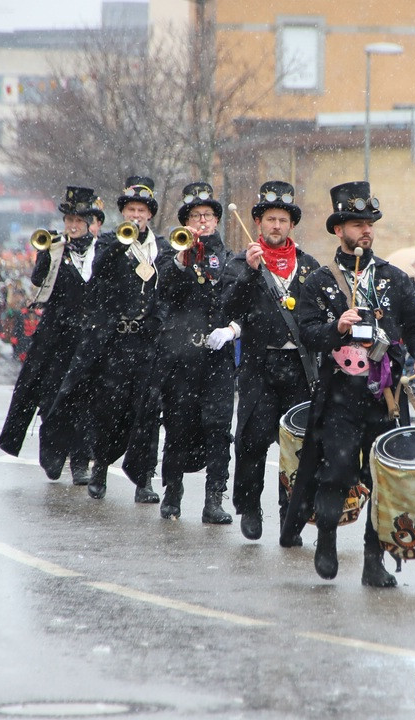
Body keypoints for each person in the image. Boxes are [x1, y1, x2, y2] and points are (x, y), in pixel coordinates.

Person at [279, 180, 415, 586]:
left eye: (369, 223)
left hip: (385, 397)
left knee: (383, 480)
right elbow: (308, 335)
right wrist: (337, 325)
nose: (365, 230)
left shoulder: (394, 278)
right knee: (337, 473)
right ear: (339, 229)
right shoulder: (319, 281)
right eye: (356, 223)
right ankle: (326, 539)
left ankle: (373, 560)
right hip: (338, 397)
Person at [44, 176, 167, 503]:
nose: (136, 216)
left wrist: (160, 321)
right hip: (115, 343)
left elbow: (169, 292)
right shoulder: (110, 243)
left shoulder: (164, 248)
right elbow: (97, 276)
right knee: (108, 409)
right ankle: (99, 470)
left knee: (147, 413)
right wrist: (119, 247)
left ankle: (144, 480)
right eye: (130, 210)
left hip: (147, 343)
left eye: (141, 210)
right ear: (123, 212)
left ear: (150, 214)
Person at [221, 181, 320, 540]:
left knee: (297, 446)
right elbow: (227, 308)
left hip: (299, 370)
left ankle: (291, 517)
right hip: (259, 368)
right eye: (269, 219)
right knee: (252, 440)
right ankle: (250, 507)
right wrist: (249, 272)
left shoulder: (309, 267)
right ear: (259, 224)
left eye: (282, 219)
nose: (275, 226)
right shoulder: (240, 263)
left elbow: (321, 315)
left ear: (291, 225)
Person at [0, 186, 101, 485]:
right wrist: (47, 254)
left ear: (90, 222)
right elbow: (38, 281)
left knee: (85, 399)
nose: (73, 225)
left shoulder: (101, 250)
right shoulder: (56, 249)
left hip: (88, 336)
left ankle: (81, 462)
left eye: (79, 220)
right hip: (57, 334)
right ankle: (53, 455)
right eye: (69, 219)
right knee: (52, 396)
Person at [156, 182, 237, 524]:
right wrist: (180, 257)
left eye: (207, 215)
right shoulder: (172, 255)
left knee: (218, 427)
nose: (201, 221)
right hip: (182, 357)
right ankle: (172, 494)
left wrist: (231, 330)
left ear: (216, 220)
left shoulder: (231, 259)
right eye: (194, 216)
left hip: (216, 358)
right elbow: (163, 292)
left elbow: (241, 302)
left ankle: (214, 499)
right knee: (177, 424)